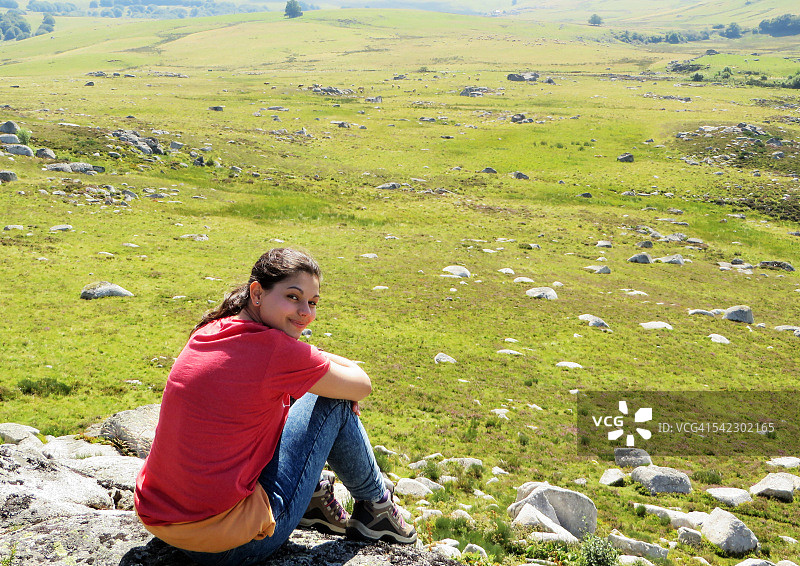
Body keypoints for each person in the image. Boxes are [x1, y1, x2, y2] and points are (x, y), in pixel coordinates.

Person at [134, 248, 416, 565]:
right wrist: (310, 362)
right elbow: (361, 384)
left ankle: (312, 494)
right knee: (333, 400)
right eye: (293, 297)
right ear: (257, 293)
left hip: (162, 520)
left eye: (312, 302)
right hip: (227, 546)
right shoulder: (274, 351)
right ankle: (376, 508)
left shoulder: (212, 329)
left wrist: (303, 362)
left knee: (299, 392)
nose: (305, 312)